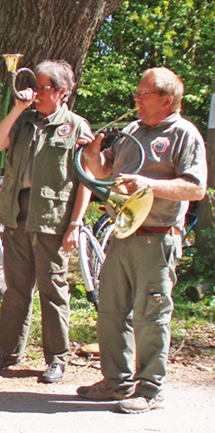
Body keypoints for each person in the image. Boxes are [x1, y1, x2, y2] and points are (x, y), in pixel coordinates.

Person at [77, 67, 206, 413]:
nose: (136, 99)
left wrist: (151, 184)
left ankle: (150, 388)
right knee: (111, 309)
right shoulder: (132, 131)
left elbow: (195, 188)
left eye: (143, 94)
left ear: (167, 99)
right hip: (122, 234)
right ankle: (116, 381)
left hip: (158, 238)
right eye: (137, 93)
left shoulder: (184, 134)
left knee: (151, 314)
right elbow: (104, 171)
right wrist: (92, 154)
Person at [0, 60, 93, 384]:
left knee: (53, 289)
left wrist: (75, 224)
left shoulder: (76, 126)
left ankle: (57, 358)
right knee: (16, 288)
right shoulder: (24, 120)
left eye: (43, 88)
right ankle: (8, 352)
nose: (36, 93)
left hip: (52, 219)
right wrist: (17, 109)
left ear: (62, 92)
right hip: (17, 213)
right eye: (35, 87)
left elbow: (86, 181)